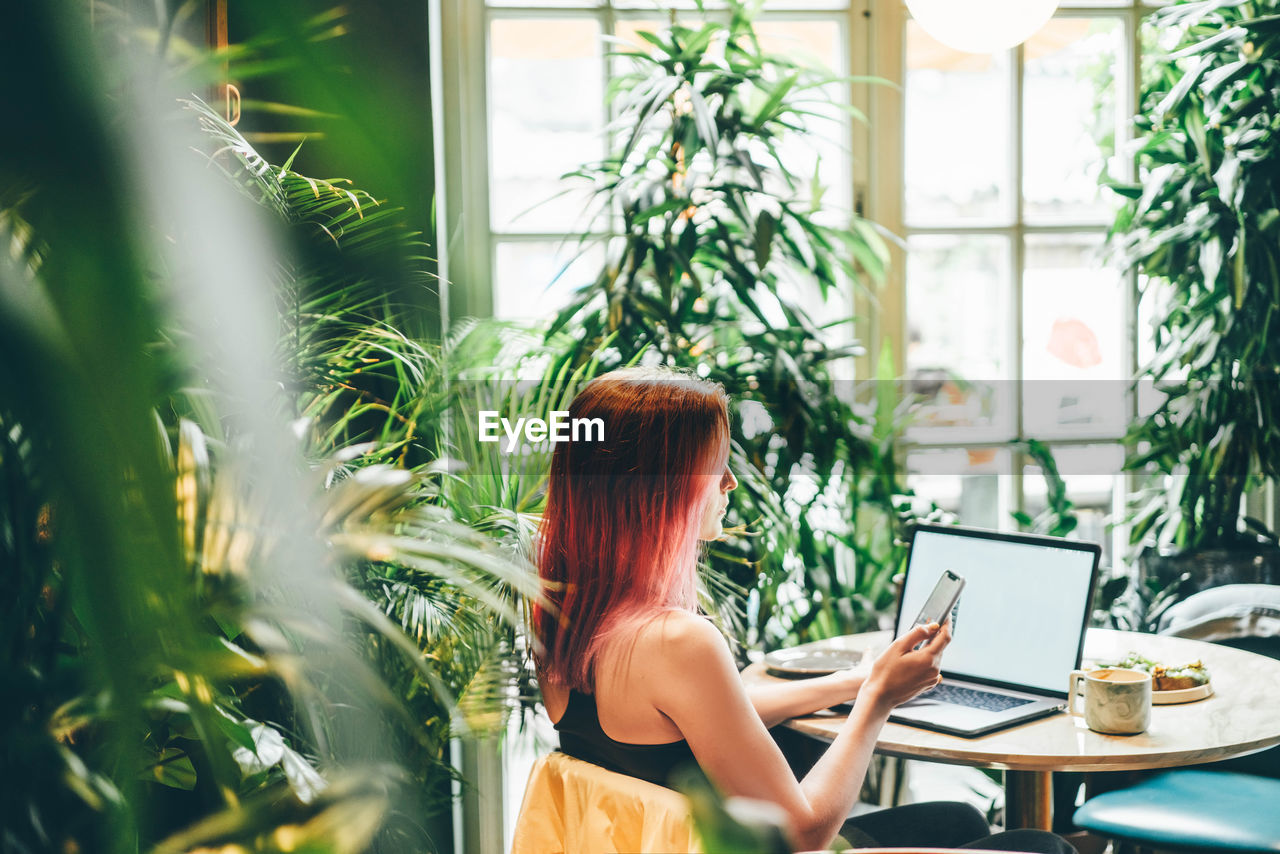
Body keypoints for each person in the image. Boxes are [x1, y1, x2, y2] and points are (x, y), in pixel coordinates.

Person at [533, 366, 1074, 853]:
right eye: (715, 467)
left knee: (957, 820)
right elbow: (803, 835)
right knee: (1044, 848)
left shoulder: (560, 609)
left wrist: (856, 681)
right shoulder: (677, 640)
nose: (730, 483)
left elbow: (708, 716)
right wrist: (878, 701)